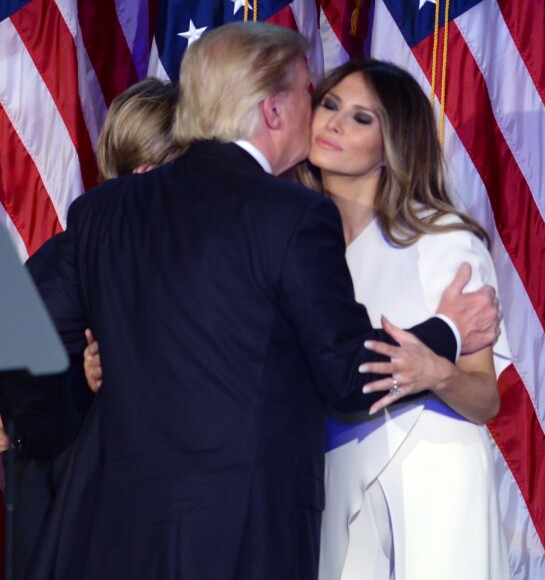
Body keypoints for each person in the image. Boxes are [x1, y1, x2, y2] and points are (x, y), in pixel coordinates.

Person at [12, 23, 500, 580]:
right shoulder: (292, 216)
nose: (315, 109)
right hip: (241, 535)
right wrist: (449, 331)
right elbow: (347, 378)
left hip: (114, 529)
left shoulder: (105, 210)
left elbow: (26, 325)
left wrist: (52, 423)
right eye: (308, 94)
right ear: (274, 110)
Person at [299, 59, 510, 579]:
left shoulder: (443, 240)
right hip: (331, 474)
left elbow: (486, 399)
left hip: (433, 469)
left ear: (394, 145)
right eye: (329, 105)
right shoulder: (295, 244)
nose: (334, 123)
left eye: (361, 117)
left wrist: (440, 373)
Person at [0, 77, 182, 580]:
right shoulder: (75, 253)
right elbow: (16, 367)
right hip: (65, 501)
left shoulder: (81, 246)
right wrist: (83, 384)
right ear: (150, 171)